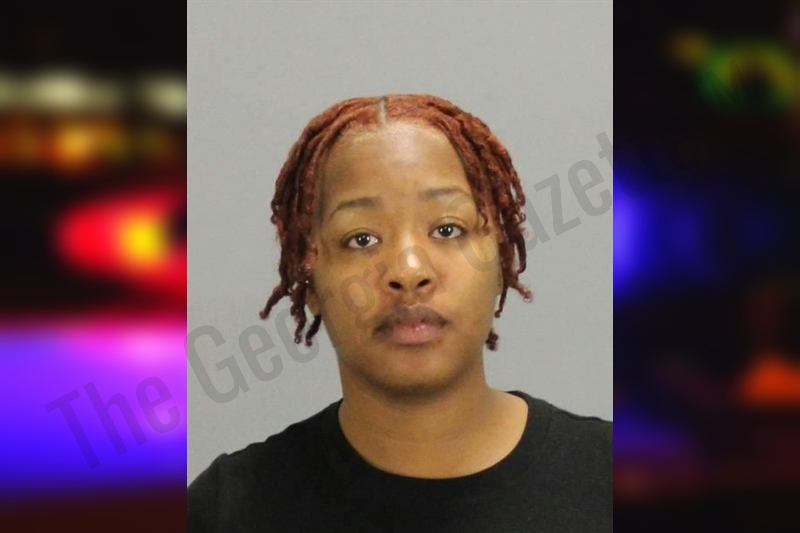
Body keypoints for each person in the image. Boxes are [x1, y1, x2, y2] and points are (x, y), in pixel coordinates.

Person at [188, 94, 612, 532]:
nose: (409, 272)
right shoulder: (228, 511)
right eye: (361, 239)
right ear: (308, 279)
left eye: (447, 229)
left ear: (501, 260)